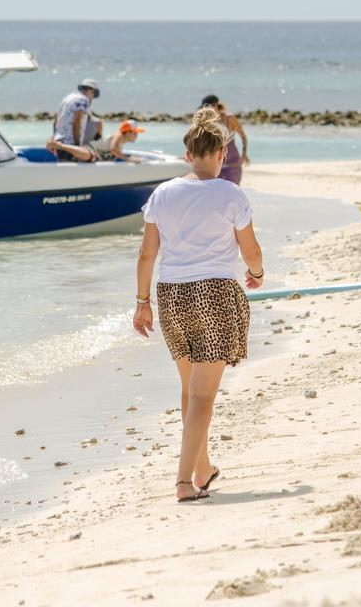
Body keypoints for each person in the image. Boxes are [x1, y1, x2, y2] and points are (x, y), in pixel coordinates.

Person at [133, 108, 264, 502]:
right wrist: (257, 273)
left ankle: (203, 467)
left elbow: (146, 255)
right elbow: (251, 250)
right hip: (215, 295)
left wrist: (142, 303)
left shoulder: (162, 193)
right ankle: (184, 482)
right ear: (222, 153)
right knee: (203, 395)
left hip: (171, 296)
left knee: (190, 389)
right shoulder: (231, 193)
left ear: (189, 155)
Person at [201, 95, 249, 185]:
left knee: (232, 194)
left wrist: (244, 153)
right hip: (215, 167)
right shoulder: (207, 123)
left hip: (233, 165)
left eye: (206, 107)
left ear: (215, 105)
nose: (205, 110)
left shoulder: (229, 118)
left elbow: (243, 136)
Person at [46, 119, 145, 163]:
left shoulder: (121, 142)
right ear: (127, 132)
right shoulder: (118, 135)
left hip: (94, 155)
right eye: (135, 133)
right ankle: (58, 145)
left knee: (89, 156)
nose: (137, 136)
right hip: (91, 150)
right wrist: (129, 159)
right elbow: (113, 149)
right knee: (88, 155)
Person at [52, 79, 100, 161]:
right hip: (70, 143)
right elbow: (76, 122)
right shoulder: (82, 100)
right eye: (94, 93)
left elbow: (56, 118)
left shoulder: (67, 98)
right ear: (91, 90)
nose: (92, 97)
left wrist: (54, 138)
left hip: (59, 140)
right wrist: (77, 145)